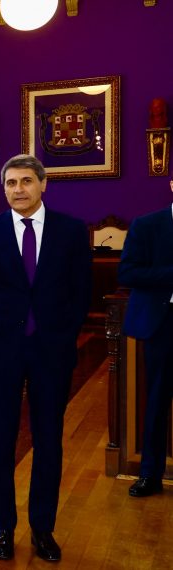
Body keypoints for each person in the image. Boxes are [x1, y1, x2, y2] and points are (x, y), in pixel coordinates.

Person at [0, 154, 92, 562]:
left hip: (51, 353)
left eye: (25, 182)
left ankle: (42, 528)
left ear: (43, 185)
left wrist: (63, 336)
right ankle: (3, 526)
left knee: (48, 441)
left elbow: (80, 292)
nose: (18, 189)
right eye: (10, 183)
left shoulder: (71, 231)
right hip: (1, 352)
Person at [119, 177, 173, 498]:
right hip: (163, 324)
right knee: (156, 401)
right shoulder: (148, 225)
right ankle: (150, 475)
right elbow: (127, 273)